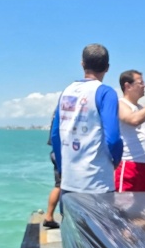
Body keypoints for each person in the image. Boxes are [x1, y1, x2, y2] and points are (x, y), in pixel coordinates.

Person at [50, 43, 122, 195]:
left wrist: (63, 169)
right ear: (107, 67)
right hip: (98, 183)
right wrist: (116, 161)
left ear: (82, 64)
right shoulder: (106, 93)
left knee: (70, 219)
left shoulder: (66, 91)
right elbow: (113, 138)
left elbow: (55, 135)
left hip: (69, 182)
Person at [43, 129, 61, 229]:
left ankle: (49, 216)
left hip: (56, 151)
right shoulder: (62, 113)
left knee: (59, 185)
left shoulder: (57, 113)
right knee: (60, 186)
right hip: (62, 152)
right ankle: (49, 216)